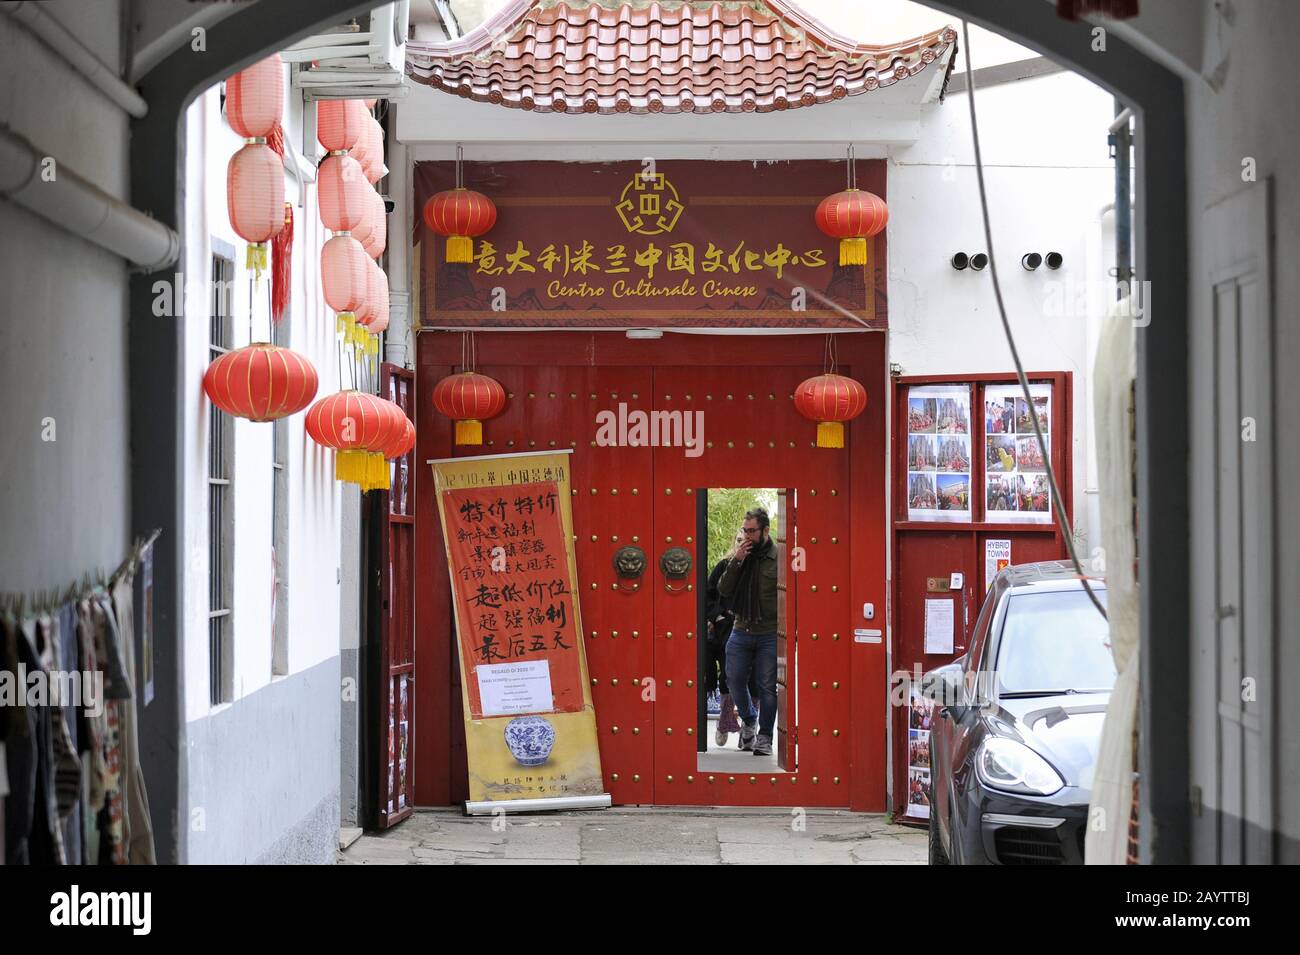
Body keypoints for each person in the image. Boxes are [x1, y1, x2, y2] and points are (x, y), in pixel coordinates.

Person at [718, 507, 780, 757]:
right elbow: (723, 589)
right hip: (741, 628)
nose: (747, 535)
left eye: (752, 531)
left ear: (765, 530)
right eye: (745, 530)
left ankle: (764, 737)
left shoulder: (779, 557)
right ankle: (749, 720)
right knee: (732, 678)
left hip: (768, 632)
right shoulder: (739, 557)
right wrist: (737, 560)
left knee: (766, 686)